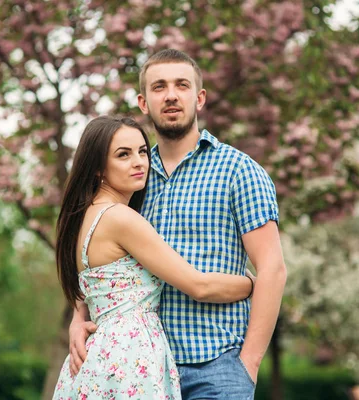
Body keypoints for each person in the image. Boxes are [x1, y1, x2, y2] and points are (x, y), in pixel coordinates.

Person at [68, 49, 287, 399]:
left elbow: (272, 269)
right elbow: (102, 260)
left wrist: (249, 364)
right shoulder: (132, 177)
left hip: (217, 367)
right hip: (143, 368)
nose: (170, 95)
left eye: (181, 85)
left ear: (199, 98)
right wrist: (79, 317)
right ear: (143, 102)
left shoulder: (238, 171)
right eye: (159, 87)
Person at [52, 115, 255, 399]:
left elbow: (88, 288)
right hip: (129, 360)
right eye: (123, 155)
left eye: (142, 151)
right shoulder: (121, 218)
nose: (139, 162)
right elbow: (199, 286)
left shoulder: (83, 217)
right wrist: (254, 285)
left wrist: (78, 317)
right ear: (97, 168)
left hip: (99, 357)